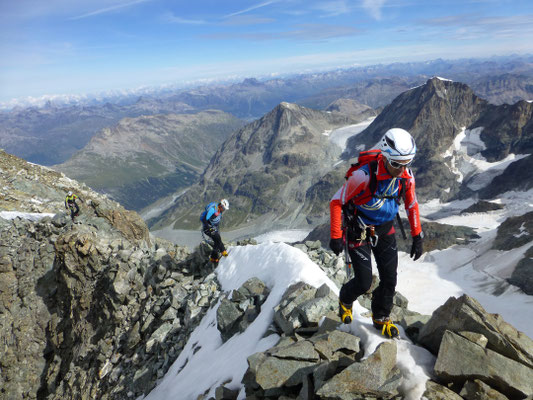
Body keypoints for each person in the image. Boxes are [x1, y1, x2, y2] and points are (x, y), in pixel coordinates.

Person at [329, 128, 424, 338]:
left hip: (385, 229)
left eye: (407, 164)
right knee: (363, 282)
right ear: (385, 157)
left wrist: (417, 235)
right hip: (358, 230)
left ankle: (380, 317)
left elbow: (412, 205)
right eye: (396, 164)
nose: (402, 169)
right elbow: (337, 202)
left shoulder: (406, 177)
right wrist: (336, 236)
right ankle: (345, 299)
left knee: (390, 279)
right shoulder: (362, 176)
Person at [200, 199, 229, 264]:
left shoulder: (219, 211)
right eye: (224, 208)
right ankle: (221, 253)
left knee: (217, 240)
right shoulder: (213, 210)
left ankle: (216, 256)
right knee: (217, 239)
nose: (224, 210)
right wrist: (209, 228)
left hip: (212, 228)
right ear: (221, 206)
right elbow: (205, 220)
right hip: (208, 228)